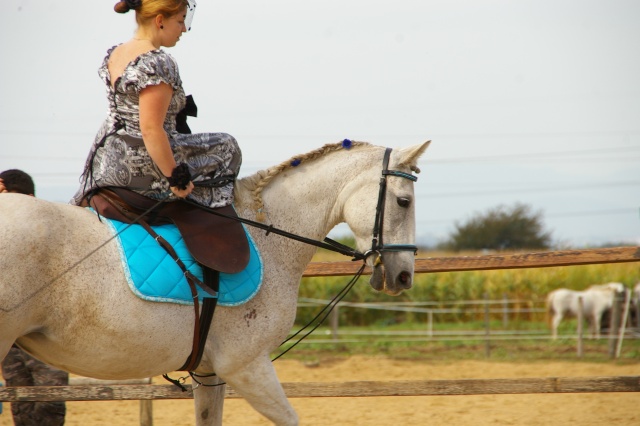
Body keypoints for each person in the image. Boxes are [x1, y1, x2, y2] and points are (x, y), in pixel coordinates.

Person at [71, 0, 242, 209]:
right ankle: (199, 210)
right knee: (227, 146)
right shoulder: (158, 62)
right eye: (180, 21)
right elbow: (151, 129)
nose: (184, 29)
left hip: (105, 160)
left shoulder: (115, 53)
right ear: (160, 20)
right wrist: (175, 178)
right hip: (141, 162)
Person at [0, 169, 69, 426]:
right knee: (21, 407)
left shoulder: (51, 237)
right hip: (12, 342)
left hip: (46, 338)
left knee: (49, 404)